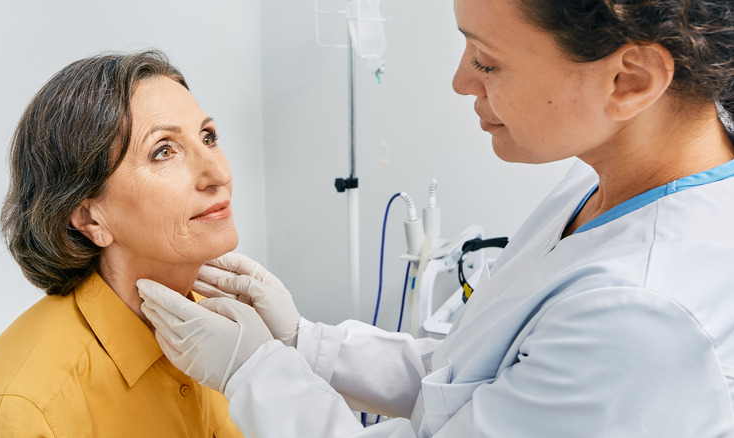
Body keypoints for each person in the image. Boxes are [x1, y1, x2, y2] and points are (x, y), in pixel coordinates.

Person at [138, 0, 734, 436]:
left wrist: (252, 372)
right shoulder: (602, 179)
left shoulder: (648, 315)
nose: (459, 80)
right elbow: (467, 379)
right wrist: (306, 341)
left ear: (630, 80)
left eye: (487, 60)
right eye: (162, 150)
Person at [0, 50, 263, 437]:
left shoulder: (231, 339)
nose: (218, 172)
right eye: (163, 151)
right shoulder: (28, 405)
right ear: (89, 218)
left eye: (209, 137)